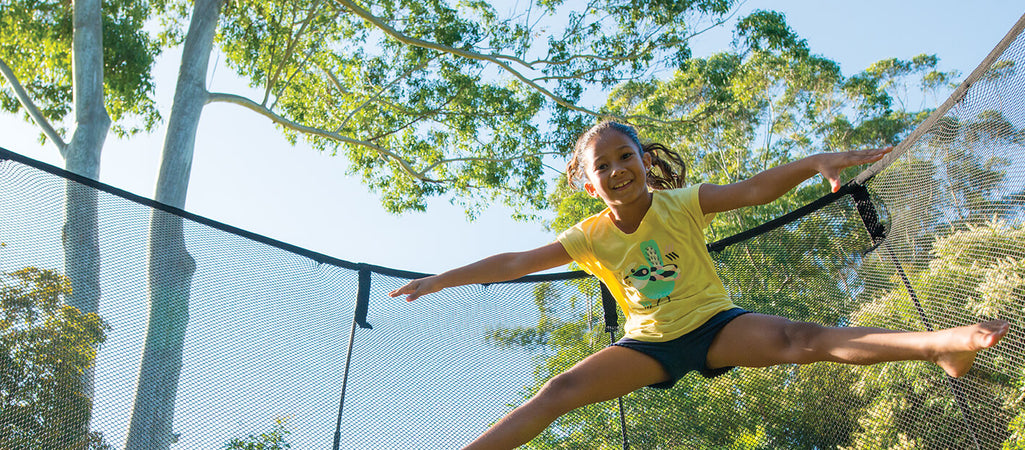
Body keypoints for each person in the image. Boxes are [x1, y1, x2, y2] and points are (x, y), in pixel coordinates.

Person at [389, 120, 1010, 450]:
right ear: (589, 184)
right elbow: (515, 263)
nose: (617, 169)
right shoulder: (589, 236)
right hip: (646, 346)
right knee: (556, 393)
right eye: (601, 166)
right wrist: (442, 279)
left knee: (802, 337)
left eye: (625, 156)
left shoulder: (680, 203)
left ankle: (940, 344)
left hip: (716, 326)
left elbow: (750, 191)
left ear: (643, 160)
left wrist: (813, 163)